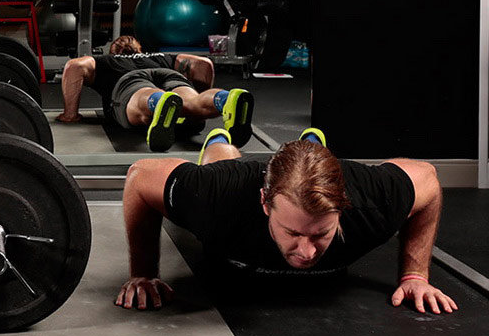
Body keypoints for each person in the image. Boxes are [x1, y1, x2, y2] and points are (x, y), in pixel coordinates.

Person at [114, 127, 459, 315]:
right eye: (293, 232)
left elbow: (426, 179)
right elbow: (141, 178)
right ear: (265, 203)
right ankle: (220, 141)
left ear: (343, 207)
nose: (307, 252)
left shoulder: (372, 199)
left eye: (321, 233)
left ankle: (309, 145)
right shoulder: (214, 196)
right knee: (221, 160)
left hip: (323, 175)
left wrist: (415, 275)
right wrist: (143, 273)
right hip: (236, 179)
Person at [55, 35, 254, 152]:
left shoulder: (110, 60)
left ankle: (159, 102)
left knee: (143, 97)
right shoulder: (161, 56)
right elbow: (203, 64)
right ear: (139, 49)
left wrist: (70, 115)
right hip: (169, 73)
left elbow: (75, 65)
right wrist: (195, 114)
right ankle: (226, 99)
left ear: (114, 50)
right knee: (192, 100)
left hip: (131, 79)